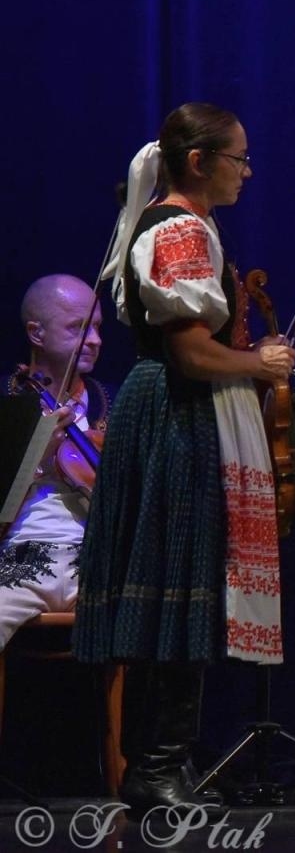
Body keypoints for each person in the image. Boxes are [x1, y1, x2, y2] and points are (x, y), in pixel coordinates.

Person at [73, 103, 295, 809]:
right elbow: (193, 351)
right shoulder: (180, 229)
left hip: (176, 405)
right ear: (198, 161)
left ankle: (167, 757)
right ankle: (155, 764)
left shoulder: (187, 227)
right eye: (238, 157)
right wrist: (258, 362)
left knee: (187, 579)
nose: (248, 171)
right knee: (181, 577)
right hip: (177, 410)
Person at [0, 275, 113, 649]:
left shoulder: (113, 404)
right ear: (36, 333)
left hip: (96, 560)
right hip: (19, 556)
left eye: (97, 327)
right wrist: (37, 456)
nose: (95, 341)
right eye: (78, 329)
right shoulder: (7, 404)